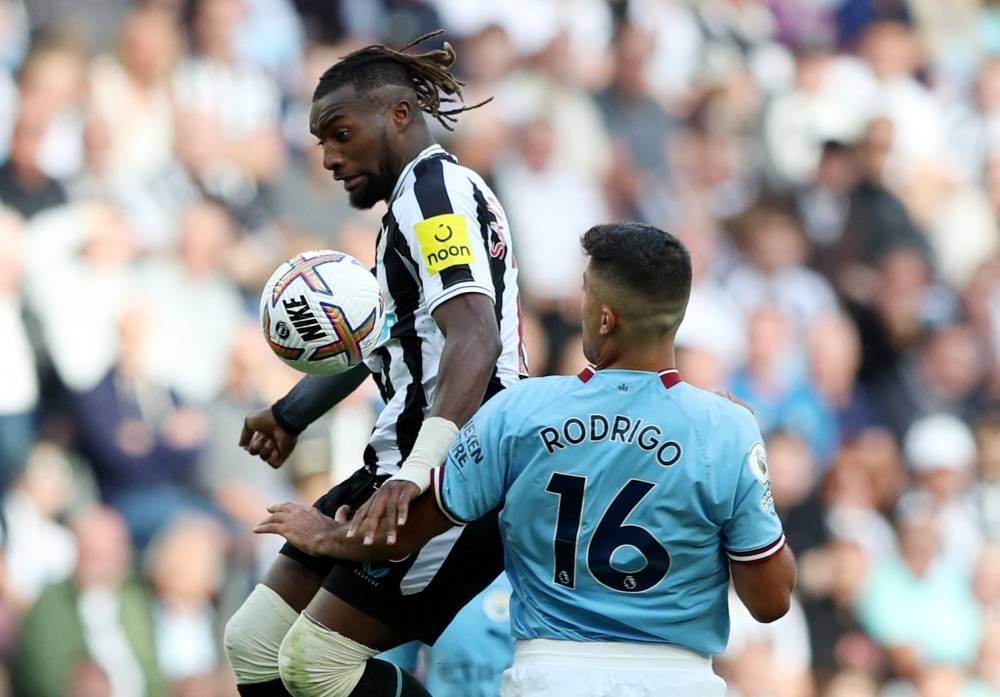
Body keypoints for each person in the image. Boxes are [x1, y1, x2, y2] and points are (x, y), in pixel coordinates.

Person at [256, 222, 797, 697]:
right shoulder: (726, 429)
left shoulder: (521, 413)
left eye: (585, 293)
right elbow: (770, 601)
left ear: (605, 318)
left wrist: (324, 535)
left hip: (550, 674)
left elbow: (406, 533)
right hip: (677, 680)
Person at [224, 31, 526, 697]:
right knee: (255, 647)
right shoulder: (408, 211)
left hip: (457, 470)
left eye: (340, 133)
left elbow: (474, 334)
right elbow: (382, 338)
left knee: (316, 663)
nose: (329, 158)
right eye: (320, 142)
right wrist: (289, 412)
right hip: (400, 460)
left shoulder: (435, 193)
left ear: (397, 115)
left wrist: (420, 473)